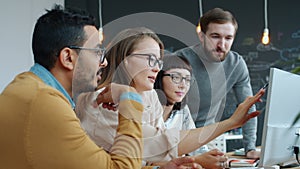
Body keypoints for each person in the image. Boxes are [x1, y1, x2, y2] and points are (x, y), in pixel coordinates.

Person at [0, 5, 202, 169]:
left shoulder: (27, 88)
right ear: (68, 58)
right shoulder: (46, 103)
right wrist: (128, 97)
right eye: (97, 53)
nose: (103, 62)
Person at [75, 27, 265, 168]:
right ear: (124, 59)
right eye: (150, 58)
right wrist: (230, 123)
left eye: (158, 60)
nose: (157, 67)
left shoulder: (149, 96)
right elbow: (162, 142)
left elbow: (150, 156)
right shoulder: (102, 103)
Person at [175, 7, 259, 158]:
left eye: (228, 38)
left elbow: (248, 106)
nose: (222, 44)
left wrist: (250, 148)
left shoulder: (236, 64)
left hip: (207, 139)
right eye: (215, 37)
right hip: (176, 138)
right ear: (202, 36)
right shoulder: (178, 61)